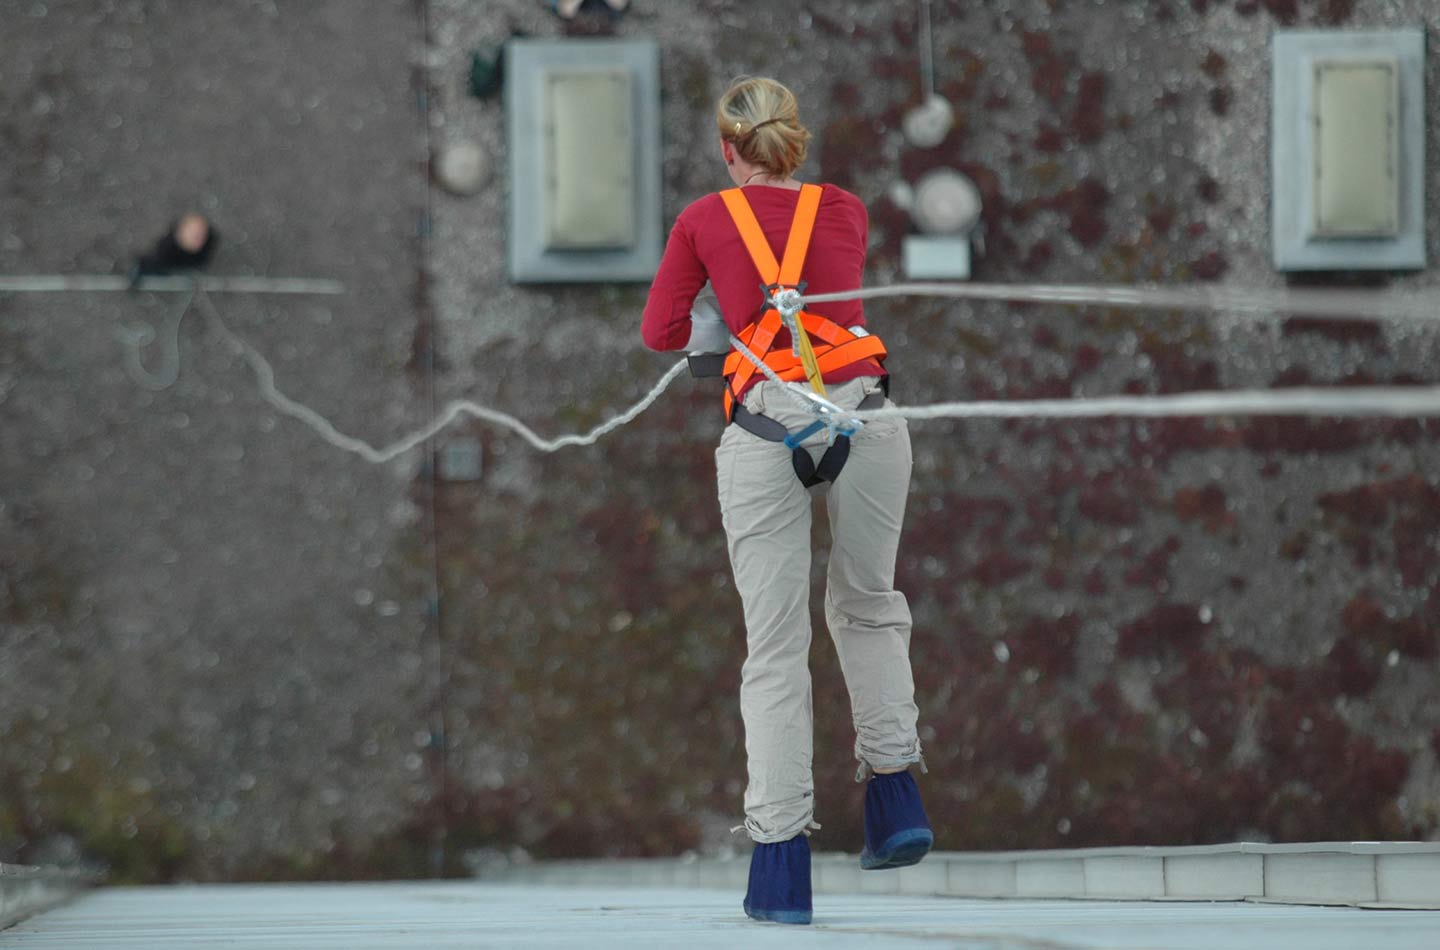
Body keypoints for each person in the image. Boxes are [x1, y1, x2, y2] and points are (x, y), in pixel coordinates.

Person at [641, 76, 931, 925]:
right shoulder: (845, 208)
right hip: (867, 418)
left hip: (767, 429)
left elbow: (660, 333)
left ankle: (780, 873)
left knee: (775, 648)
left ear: (729, 152)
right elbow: (816, 283)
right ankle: (895, 799)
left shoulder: (703, 218)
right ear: (794, 142)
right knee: (870, 606)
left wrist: (719, 326)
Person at [128, 212, 218, 289]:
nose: (199, 239)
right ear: (182, 233)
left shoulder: (210, 240)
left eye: (202, 234)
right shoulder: (166, 248)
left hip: (190, 261)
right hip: (166, 261)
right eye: (194, 235)